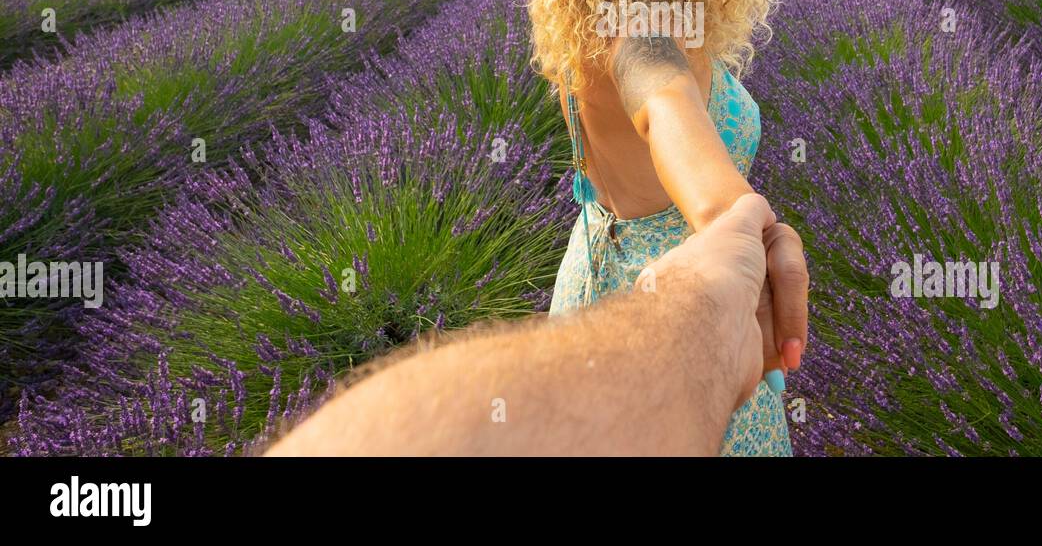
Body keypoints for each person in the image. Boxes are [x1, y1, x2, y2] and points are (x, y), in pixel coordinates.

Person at [387, 0, 800, 456]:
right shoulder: (639, 37)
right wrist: (732, 218)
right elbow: (666, 108)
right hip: (673, 302)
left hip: (594, 277)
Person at [266, 193, 804, 456]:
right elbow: (674, 121)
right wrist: (741, 223)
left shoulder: (591, 15)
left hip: (609, 268)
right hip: (660, 275)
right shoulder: (646, 46)